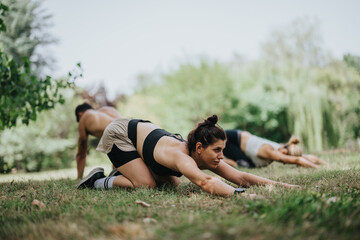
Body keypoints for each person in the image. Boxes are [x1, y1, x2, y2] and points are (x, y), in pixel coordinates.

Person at [77, 115, 297, 197]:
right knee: (147, 186)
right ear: (199, 148)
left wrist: (281, 185)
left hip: (142, 135)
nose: (222, 156)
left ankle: (128, 169)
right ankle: (98, 181)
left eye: (223, 149)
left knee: (171, 185)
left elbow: (240, 176)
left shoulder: (201, 154)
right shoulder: (182, 157)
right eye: (217, 150)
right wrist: (241, 195)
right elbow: (206, 181)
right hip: (121, 134)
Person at [222, 129, 327, 169]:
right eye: (286, 159)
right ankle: (221, 160)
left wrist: (324, 163)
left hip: (242, 137)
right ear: (285, 152)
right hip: (231, 139)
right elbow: (297, 160)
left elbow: (304, 157)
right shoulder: (270, 152)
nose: (285, 162)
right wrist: (318, 168)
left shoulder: (281, 147)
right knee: (245, 165)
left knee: (251, 165)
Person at [75, 103, 121, 179]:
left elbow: (81, 153)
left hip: (113, 132)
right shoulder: (108, 110)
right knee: (116, 152)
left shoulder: (85, 116)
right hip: (128, 127)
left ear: (80, 114)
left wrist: (79, 178)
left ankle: (115, 177)